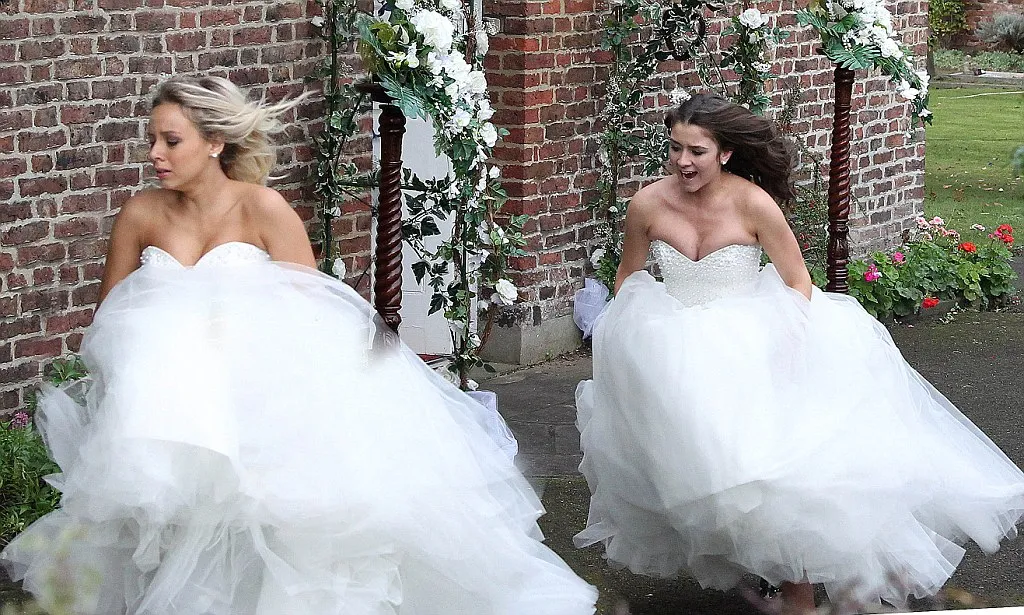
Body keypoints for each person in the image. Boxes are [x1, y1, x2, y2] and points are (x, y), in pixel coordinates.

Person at [1, 75, 597, 615]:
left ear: (215, 142)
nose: (155, 154)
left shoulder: (262, 208)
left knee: (270, 522)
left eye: (170, 140)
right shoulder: (141, 214)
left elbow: (312, 315)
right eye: (152, 140)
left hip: (260, 403)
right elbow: (109, 317)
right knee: (171, 525)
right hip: (168, 413)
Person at [574, 93, 1024, 614]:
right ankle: (760, 569)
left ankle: (799, 597)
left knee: (779, 477)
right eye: (675, 149)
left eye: (696, 151)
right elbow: (629, 276)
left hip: (750, 342)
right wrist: (624, 345)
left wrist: (787, 348)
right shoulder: (648, 204)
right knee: (703, 474)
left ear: (724, 153)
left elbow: (797, 282)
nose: (682, 162)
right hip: (674, 353)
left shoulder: (752, 204)